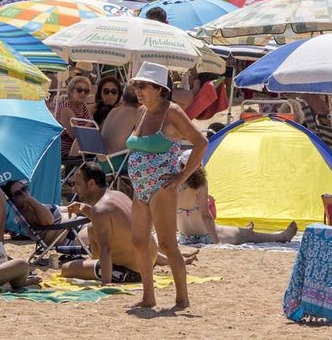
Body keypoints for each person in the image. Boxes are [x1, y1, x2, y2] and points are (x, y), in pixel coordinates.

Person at [125, 61, 208, 310]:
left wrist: (181, 177)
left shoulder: (171, 112)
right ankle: (149, 295)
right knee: (139, 241)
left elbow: (200, 142)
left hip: (162, 187)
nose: (138, 90)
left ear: (159, 88)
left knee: (167, 244)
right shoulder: (142, 111)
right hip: (140, 187)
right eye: (136, 85)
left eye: (143, 85)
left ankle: (182, 298)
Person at [59, 162, 196, 284]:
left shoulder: (99, 210)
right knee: (96, 228)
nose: (74, 189)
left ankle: (103, 270)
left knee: (66, 268)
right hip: (148, 262)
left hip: (131, 273)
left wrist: (106, 282)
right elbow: (117, 224)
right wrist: (83, 208)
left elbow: (105, 248)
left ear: (91, 184)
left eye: (77, 184)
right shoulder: (118, 195)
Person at [176, 161, 297, 246]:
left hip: (185, 238)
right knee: (247, 235)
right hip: (205, 236)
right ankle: (280, 237)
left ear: (181, 167)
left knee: (230, 230)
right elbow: (205, 216)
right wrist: (215, 242)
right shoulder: (201, 184)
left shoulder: (173, 185)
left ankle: (243, 230)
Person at [55, 74, 93, 158]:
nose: (83, 93)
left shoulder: (83, 105)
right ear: (71, 91)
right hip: (67, 153)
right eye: (79, 90)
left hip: (82, 150)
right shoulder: (66, 109)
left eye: (86, 91)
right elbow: (76, 137)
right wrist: (92, 120)